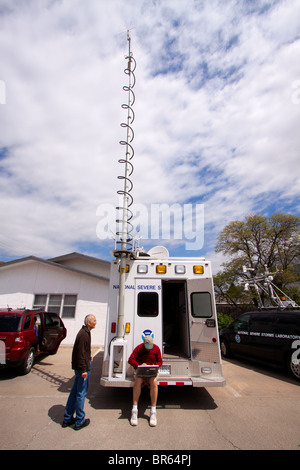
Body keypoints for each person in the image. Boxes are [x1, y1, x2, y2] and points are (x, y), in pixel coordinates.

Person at [62, 314, 97, 430]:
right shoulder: (83, 335)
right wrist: (83, 370)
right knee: (81, 394)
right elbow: (80, 353)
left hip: (81, 366)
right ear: (88, 323)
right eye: (94, 321)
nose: (95, 322)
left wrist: (89, 354)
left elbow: (84, 350)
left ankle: (67, 418)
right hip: (82, 368)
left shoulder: (85, 332)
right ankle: (79, 421)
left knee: (74, 393)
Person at [128, 334, 162, 427]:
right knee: (138, 381)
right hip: (141, 371)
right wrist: (139, 365)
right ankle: (134, 409)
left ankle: (153, 411)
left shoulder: (156, 349)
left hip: (151, 372)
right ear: (143, 344)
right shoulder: (139, 348)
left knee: (154, 382)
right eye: (147, 347)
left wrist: (155, 366)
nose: (148, 349)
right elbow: (130, 359)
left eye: (149, 347)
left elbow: (160, 361)